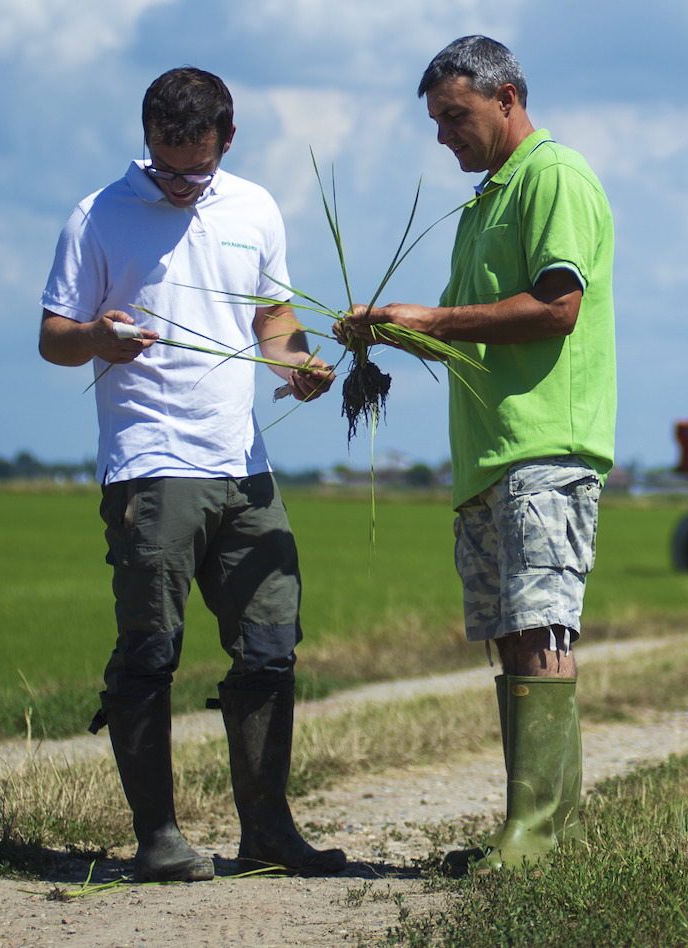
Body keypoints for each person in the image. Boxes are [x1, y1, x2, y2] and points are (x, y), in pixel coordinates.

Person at [37, 66, 347, 881]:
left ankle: (266, 834)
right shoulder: (97, 215)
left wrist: (298, 367)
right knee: (151, 652)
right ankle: (159, 839)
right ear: (145, 142)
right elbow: (54, 335)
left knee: (272, 645)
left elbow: (273, 322)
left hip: (244, 468)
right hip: (150, 466)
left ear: (227, 142)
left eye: (195, 169)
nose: (178, 184)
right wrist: (98, 339)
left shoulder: (254, 209)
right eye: (163, 167)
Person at [343, 36, 615, 872]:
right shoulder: (483, 202)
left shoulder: (553, 177)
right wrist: (390, 327)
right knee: (510, 636)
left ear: (507, 99)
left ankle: (535, 844)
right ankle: (537, 835)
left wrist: (433, 321)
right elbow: (462, 335)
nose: (442, 136)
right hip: (488, 457)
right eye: (435, 120)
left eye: (454, 116)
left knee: (540, 630)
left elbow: (556, 306)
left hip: (544, 447)